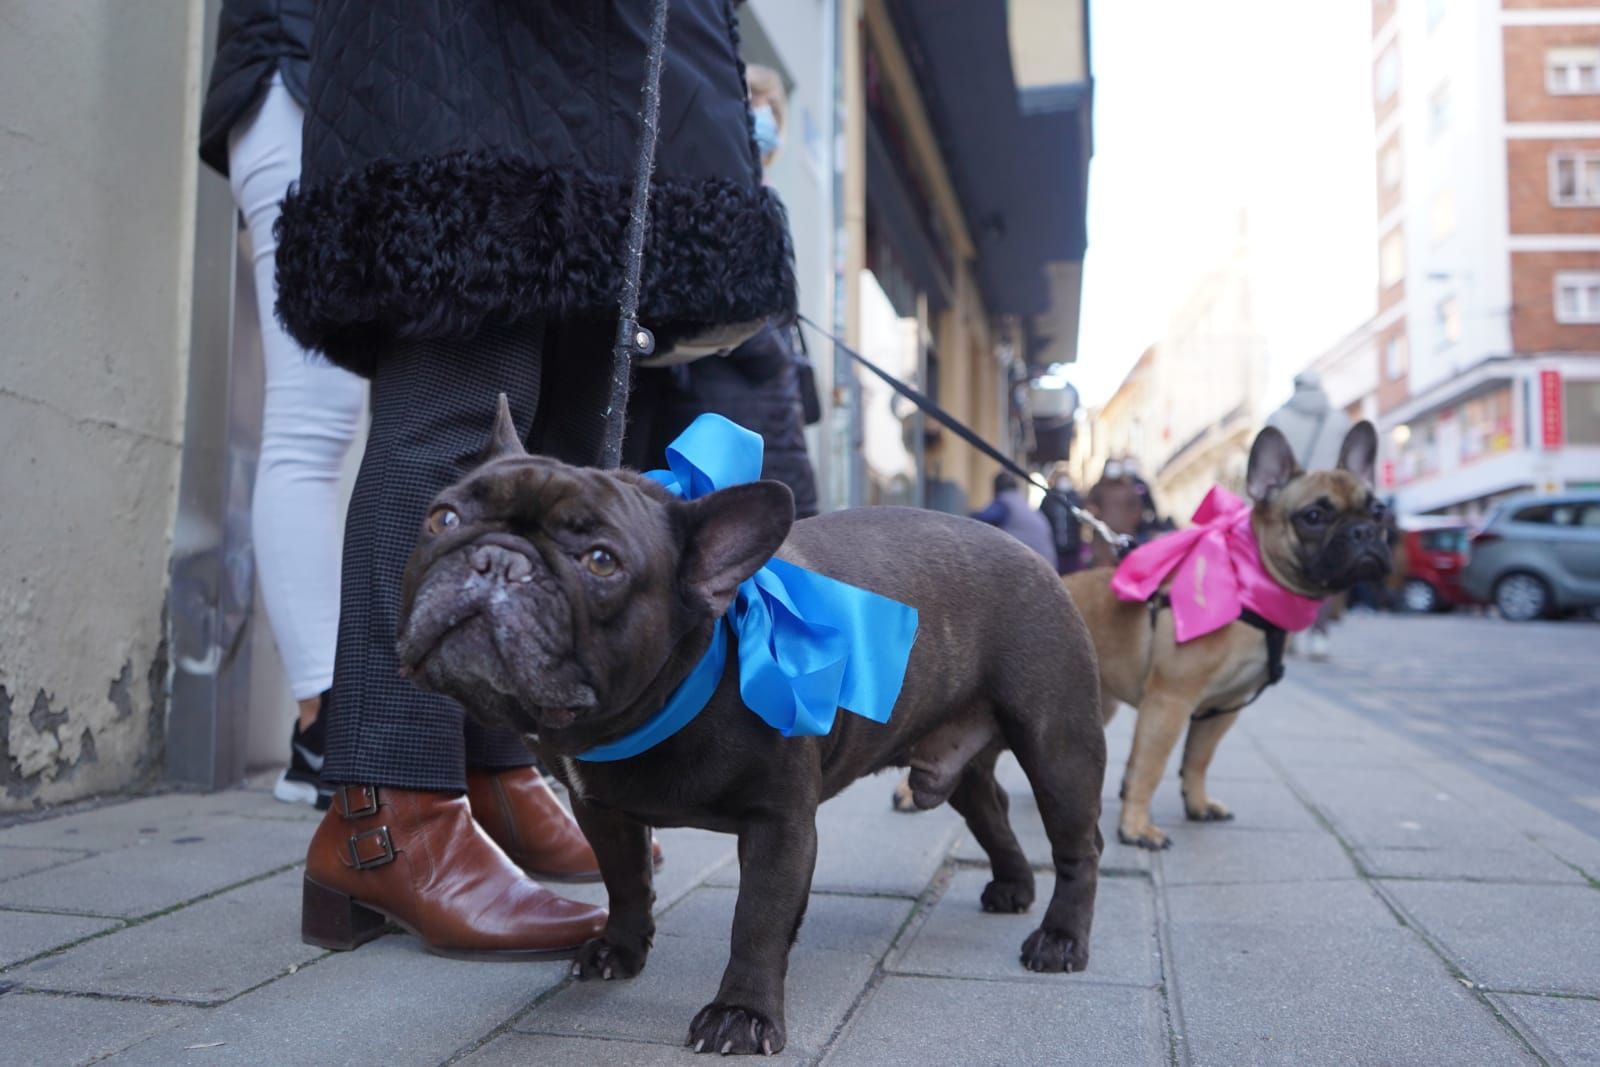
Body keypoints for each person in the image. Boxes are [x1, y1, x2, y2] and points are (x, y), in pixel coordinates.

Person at [273, 1, 796, 959]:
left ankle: (494, 766)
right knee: (465, 422)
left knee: (568, 437)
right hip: (460, 47)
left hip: (602, 67)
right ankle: (387, 809)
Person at [198, 0, 366, 811]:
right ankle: (321, 724)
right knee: (312, 418)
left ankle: (338, 719)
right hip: (293, 79)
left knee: (345, 417)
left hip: (344, 85)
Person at [622, 62, 819, 515]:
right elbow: (715, 296)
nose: (762, 116)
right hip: (721, 398)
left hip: (756, 405)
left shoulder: (763, 191)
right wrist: (768, 353)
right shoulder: (721, 188)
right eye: (752, 101)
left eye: (771, 108)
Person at [1267, 371, 1354, 659]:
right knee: (1326, 574)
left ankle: (1288, 633)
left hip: (1290, 505)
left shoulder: (1278, 419)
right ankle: (1319, 636)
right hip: (1330, 506)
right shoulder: (1339, 421)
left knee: (1287, 568)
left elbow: (1268, 466)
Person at [972, 473, 1059, 570]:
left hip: (1029, 566)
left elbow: (981, 520)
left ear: (996, 488)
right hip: (1048, 564)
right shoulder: (1023, 504)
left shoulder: (1005, 503)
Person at [1038, 462, 1085, 574]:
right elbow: (1043, 519)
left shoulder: (1075, 498)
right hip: (1054, 547)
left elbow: (1081, 519)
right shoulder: (1049, 499)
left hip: (1072, 547)